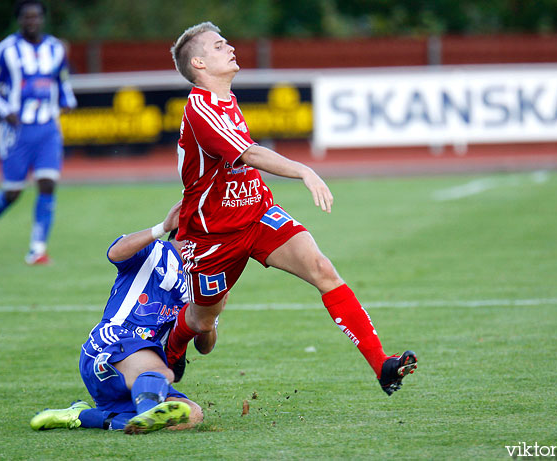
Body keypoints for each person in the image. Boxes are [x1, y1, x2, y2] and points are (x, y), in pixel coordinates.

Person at [164, 22, 417, 396]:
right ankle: (175, 341)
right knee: (203, 325)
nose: (230, 47)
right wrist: (304, 170)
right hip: (211, 236)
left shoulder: (226, 99)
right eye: (219, 46)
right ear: (199, 63)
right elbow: (249, 153)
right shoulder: (199, 109)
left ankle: (382, 364)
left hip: (258, 214)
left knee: (322, 269)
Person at [30, 201, 217, 434]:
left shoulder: (203, 280)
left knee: (190, 414)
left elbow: (205, 346)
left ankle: (83, 415)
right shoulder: (155, 250)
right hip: (109, 345)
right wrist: (161, 227)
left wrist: (210, 312)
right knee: (162, 373)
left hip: (138, 374)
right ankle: (147, 408)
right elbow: (115, 252)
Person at [0, 0, 77, 264]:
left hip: (48, 128)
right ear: (19, 20)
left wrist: (67, 100)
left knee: (47, 183)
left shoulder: (55, 49)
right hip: (17, 130)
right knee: (13, 190)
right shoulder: (6, 50)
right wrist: (5, 110)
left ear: (42, 19)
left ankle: (37, 249)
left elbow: (61, 80)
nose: (32, 22)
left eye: (36, 17)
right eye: (27, 17)